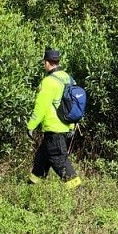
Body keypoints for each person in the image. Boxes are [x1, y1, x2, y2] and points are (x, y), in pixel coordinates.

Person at [26, 48, 82, 189]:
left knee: (59, 160)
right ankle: (31, 189)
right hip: (64, 125)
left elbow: (41, 105)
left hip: (53, 128)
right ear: (58, 61)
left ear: (46, 63)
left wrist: (31, 125)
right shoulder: (68, 78)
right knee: (41, 160)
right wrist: (71, 126)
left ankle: (78, 191)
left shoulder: (49, 81)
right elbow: (71, 104)